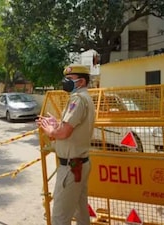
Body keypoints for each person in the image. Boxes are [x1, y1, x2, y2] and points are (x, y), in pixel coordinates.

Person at [36, 64, 95, 225]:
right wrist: (57, 124)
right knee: (81, 211)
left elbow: (63, 133)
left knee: (60, 218)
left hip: (71, 167)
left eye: (69, 79)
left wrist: (50, 130)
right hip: (80, 164)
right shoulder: (85, 98)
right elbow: (70, 128)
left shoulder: (77, 99)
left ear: (81, 82)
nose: (65, 82)